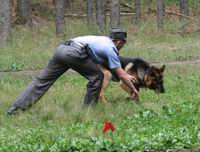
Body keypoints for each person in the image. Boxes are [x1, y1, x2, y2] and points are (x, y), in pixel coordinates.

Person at [7, 28, 139, 115]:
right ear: (120, 41)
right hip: (74, 53)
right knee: (98, 76)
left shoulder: (102, 40)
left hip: (61, 49)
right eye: (123, 44)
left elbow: (111, 67)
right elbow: (121, 74)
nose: (123, 46)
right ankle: (88, 111)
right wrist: (134, 90)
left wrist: (124, 74)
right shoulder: (111, 48)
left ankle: (15, 110)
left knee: (42, 81)